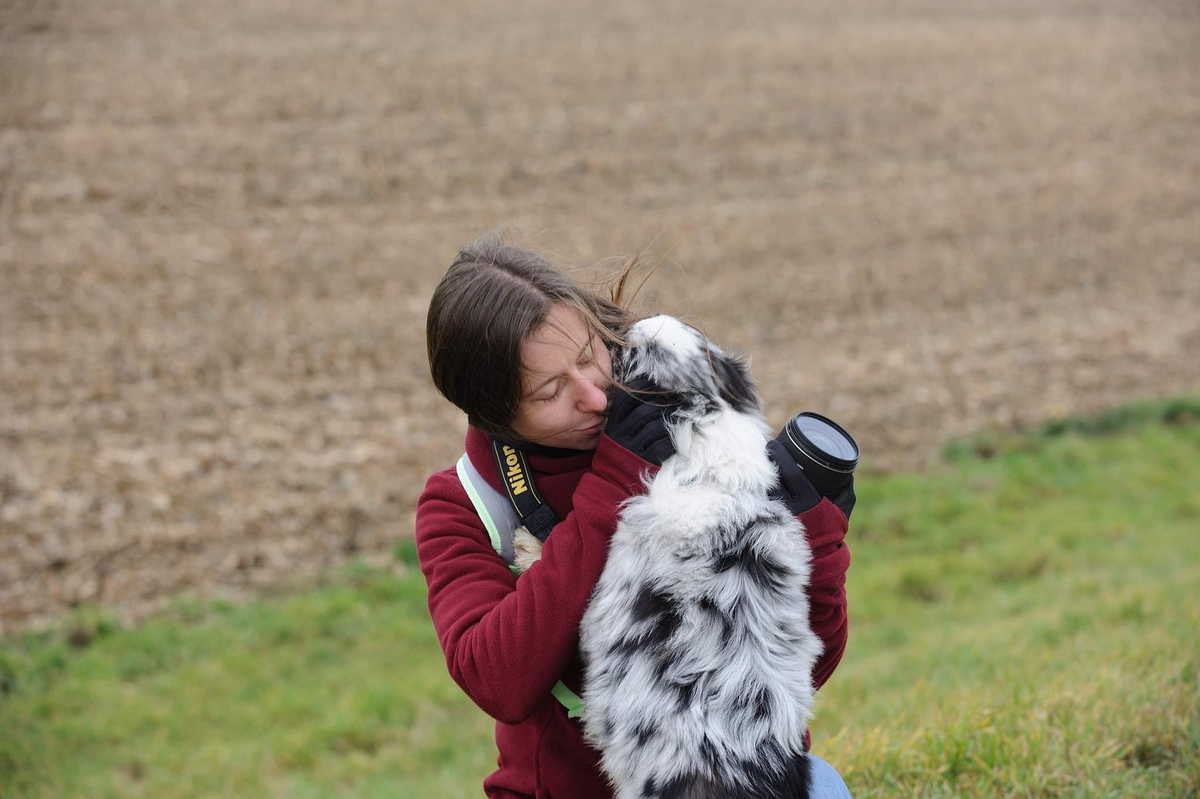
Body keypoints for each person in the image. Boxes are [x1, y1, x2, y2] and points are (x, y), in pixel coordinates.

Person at [416, 232, 854, 799]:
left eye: (587, 357)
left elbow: (802, 672)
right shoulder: (466, 502)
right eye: (551, 391)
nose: (595, 397)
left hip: (730, 783)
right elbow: (497, 678)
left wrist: (814, 537)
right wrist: (611, 487)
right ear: (495, 413)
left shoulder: (686, 422)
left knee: (821, 787)